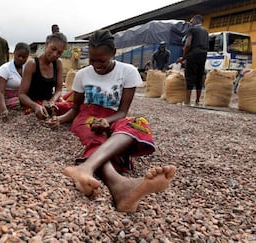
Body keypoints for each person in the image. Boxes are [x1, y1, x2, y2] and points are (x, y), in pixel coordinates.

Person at [46, 30, 176, 212]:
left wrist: (107, 121)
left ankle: (87, 169)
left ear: (114, 53)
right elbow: (75, 109)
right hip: (87, 115)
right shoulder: (82, 75)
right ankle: (120, 185)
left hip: (114, 116)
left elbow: (123, 111)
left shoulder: (128, 72)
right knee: (96, 134)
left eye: (102, 60)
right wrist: (59, 119)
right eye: (92, 60)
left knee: (137, 122)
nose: (97, 65)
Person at [19, 32, 73, 120]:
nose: (55, 54)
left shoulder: (58, 63)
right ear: (46, 44)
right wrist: (35, 106)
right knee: (43, 111)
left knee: (75, 102)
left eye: (59, 53)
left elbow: (59, 90)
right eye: (53, 49)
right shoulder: (32, 64)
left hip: (49, 102)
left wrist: (52, 101)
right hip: (33, 102)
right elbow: (22, 95)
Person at [0, 42, 30, 123]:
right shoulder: (4, 69)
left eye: (24, 57)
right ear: (14, 53)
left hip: (22, 96)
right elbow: (0, 92)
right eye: (19, 56)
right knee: (24, 103)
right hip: (6, 99)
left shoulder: (27, 68)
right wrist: (3, 110)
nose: (21, 59)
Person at [178, 15, 209, 106]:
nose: (190, 24)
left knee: (190, 76)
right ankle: (197, 100)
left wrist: (183, 57)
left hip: (193, 54)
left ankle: (187, 101)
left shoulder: (192, 30)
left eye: (191, 22)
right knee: (199, 76)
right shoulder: (205, 31)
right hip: (203, 54)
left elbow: (187, 45)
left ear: (195, 21)